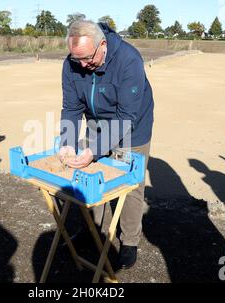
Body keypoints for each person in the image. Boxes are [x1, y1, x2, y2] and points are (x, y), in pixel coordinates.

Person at [59, 20, 154, 269]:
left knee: (130, 184)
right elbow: (71, 107)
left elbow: (125, 118)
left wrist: (93, 150)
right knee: (90, 175)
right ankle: (95, 231)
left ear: (103, 45)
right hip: (95, 122)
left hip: (132, 127)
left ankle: (129, 241)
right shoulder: (72, 63)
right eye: (75, 58)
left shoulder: (128, 60)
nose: (81, 65)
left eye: (87, 58)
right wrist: (68, 143)